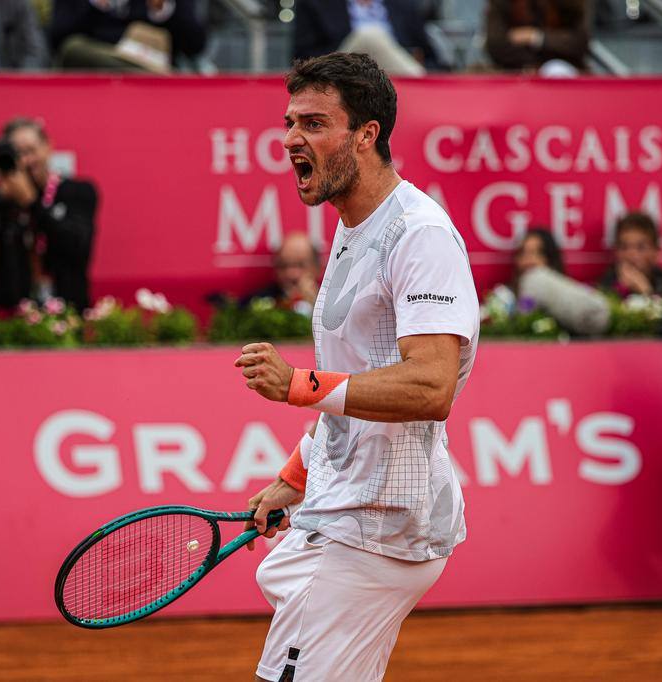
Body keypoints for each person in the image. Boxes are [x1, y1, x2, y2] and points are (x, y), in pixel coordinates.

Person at [234, 53, 478, 681]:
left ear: (366, 135)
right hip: (345, 508)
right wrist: (297, 472)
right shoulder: (349, 227)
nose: (292, 139)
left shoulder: (419, 235)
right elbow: (356, 377)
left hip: (379, 525)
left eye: (314, 123)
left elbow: (430, 386)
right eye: (290, 122)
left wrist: (294, 385)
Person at [0, 117, 97, 312]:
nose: (26, 161)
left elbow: (76, 245)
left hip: (67, 313)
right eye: (18, 153)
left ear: (48, 147)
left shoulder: (78, 191)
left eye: (31, 150)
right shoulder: (4, 198)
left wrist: (31, 202)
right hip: (13, 316)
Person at [500, 227, 609, 335]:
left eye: (538, 253)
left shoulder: (571, 297)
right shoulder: (504, 297)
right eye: (523, 253)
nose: (529, 260)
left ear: (550, 258)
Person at [50, 0, 206, 71]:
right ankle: (145, 74)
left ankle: (146, 74)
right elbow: (57, 40)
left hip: (153, 64)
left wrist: (163, 10)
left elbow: (195, 45)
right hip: (94, 65)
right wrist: (94, 4)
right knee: (74, 46)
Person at [291, 0, 438, 76]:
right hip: (339, 75)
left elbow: (429, 56)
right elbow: (304, 56)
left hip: (395, 77)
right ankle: (422, 86)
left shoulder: (403, 5)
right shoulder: (315, 3)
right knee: (369, 37)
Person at [598, 211, 662, 306]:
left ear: (656, 252)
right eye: (623, 247)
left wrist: (646, 292)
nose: (631, 254)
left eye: (641, 247)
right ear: (616, 251)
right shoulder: (600, 296)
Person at [485, 0, 590, 74]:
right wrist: (534, 63)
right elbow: (496, 44)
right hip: (515, 71)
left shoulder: (568, 4)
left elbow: (579, 43)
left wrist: (535, 37)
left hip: (564, 71)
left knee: (557, 69)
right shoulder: (503, 3)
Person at [243, 233, 322, 315]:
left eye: (300, 265)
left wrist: (316, 303)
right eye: (283, 266)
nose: (291, 274)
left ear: (317, 268)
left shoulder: (330, 303)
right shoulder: (258, 303)